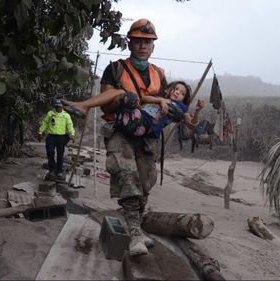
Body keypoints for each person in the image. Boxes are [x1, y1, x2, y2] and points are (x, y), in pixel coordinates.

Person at [70, 18, 202, 256]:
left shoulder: (160, 75)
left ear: (153, 47)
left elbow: (166, 107)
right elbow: (107, 106)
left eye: (148, 42)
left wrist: (173, 112)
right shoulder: (115, 69)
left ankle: (136, 226)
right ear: (130, 43)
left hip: (148, 136)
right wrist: (121, 100)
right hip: (121, 131)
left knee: (146, 180)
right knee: (126, 175)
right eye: (139, 41)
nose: (143, 46)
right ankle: (135, 232)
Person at [62, 81, 205, 138]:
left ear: (184, 98)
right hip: (136, 116)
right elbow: (144, 99)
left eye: (182, 93)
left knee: (124, 96)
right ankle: (83, 106)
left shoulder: (181, 107)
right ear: (168, 90)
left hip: (143, 126)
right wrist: (161, 100)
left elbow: (191, 124)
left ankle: (84, 106)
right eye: (176, 89)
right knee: (121, 93)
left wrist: (198, 110)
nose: (178, 93)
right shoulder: (161, 99)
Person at [38, 99, 75, 180]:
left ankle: (59, 171)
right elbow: (44, 123)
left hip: (61, 138)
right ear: (55, 106)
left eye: (59, 107)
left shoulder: (66, 115)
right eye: (56, 107)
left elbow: (70, 125)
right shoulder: (50, 114)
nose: (58, 108)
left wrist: (72, 134)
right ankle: (52, 169)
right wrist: (40, 132)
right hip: (51, 137)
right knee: (50, 152)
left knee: (60, 154)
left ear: (62, 107)